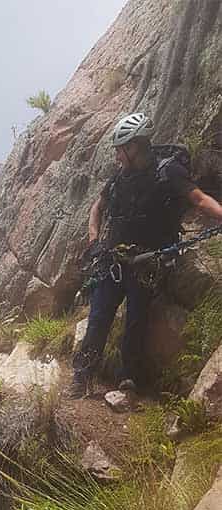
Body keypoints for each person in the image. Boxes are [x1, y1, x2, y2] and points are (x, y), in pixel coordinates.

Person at [70, 112, 222, 397]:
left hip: (147, 263)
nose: (117, 155)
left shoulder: (169, 172)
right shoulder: (119, 177)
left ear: (135, 146)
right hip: (113, 260)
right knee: (99, 317)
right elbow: (97, 208)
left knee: (136, 321)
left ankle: (128, 378)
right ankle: (81, 377)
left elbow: (199, 199)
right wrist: (94, 241)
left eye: (120, 148)